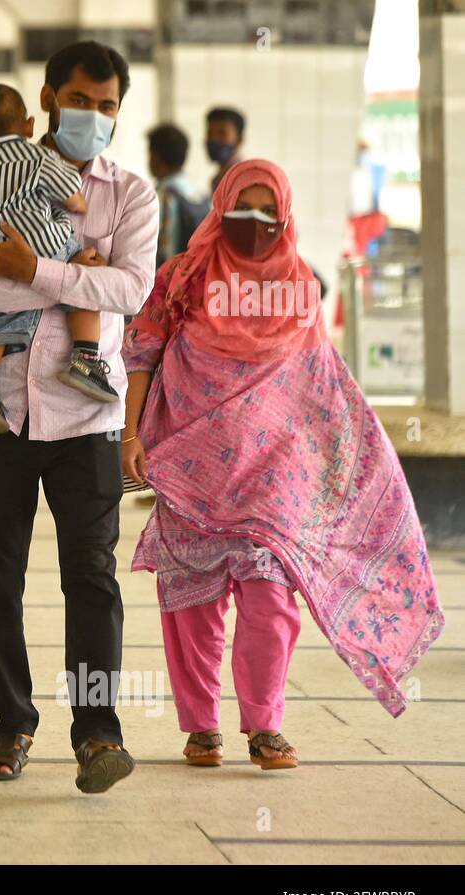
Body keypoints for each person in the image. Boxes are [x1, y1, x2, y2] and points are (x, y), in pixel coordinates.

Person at [120, 159, 444, 770]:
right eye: (244, 208)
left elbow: (317, 379)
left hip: (275, 475)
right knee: (192, 602)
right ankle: (201, 727)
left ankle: (265, 726)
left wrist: (344, 456)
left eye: (268, 211)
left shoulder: (301, 282)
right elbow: (142, 351)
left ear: (286, 214)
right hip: (192, 468)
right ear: (221, 207)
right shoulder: (184, 276)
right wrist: (130, 434)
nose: (255, 222)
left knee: (270, 599)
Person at [0, 41, 158, 792]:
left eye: (106, 106)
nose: (92, 116)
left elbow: (129, 291)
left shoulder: (131, 195)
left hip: (86, 419)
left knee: (90, 579)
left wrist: (28, 270)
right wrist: (70, 281)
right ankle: (11, 722)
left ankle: (98, 733)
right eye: (79, 101)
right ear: (45, 97)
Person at [0, 82, 115, 437]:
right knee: (82, 284)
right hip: (47, 249)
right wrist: (72, 209)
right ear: (30, 126)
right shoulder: (38, 158)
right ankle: (85, 358)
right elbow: (74, 199)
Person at [147, 123, 209, 267]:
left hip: (172, 280)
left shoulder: (164, 196)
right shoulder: (199, 194)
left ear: (156, 157)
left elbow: (164, 250)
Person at [205, 106, 245, 193]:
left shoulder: (243, 180)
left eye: (222, 133)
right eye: (210, 133)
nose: (214, 139)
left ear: (239, 140)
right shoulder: (218, 179)